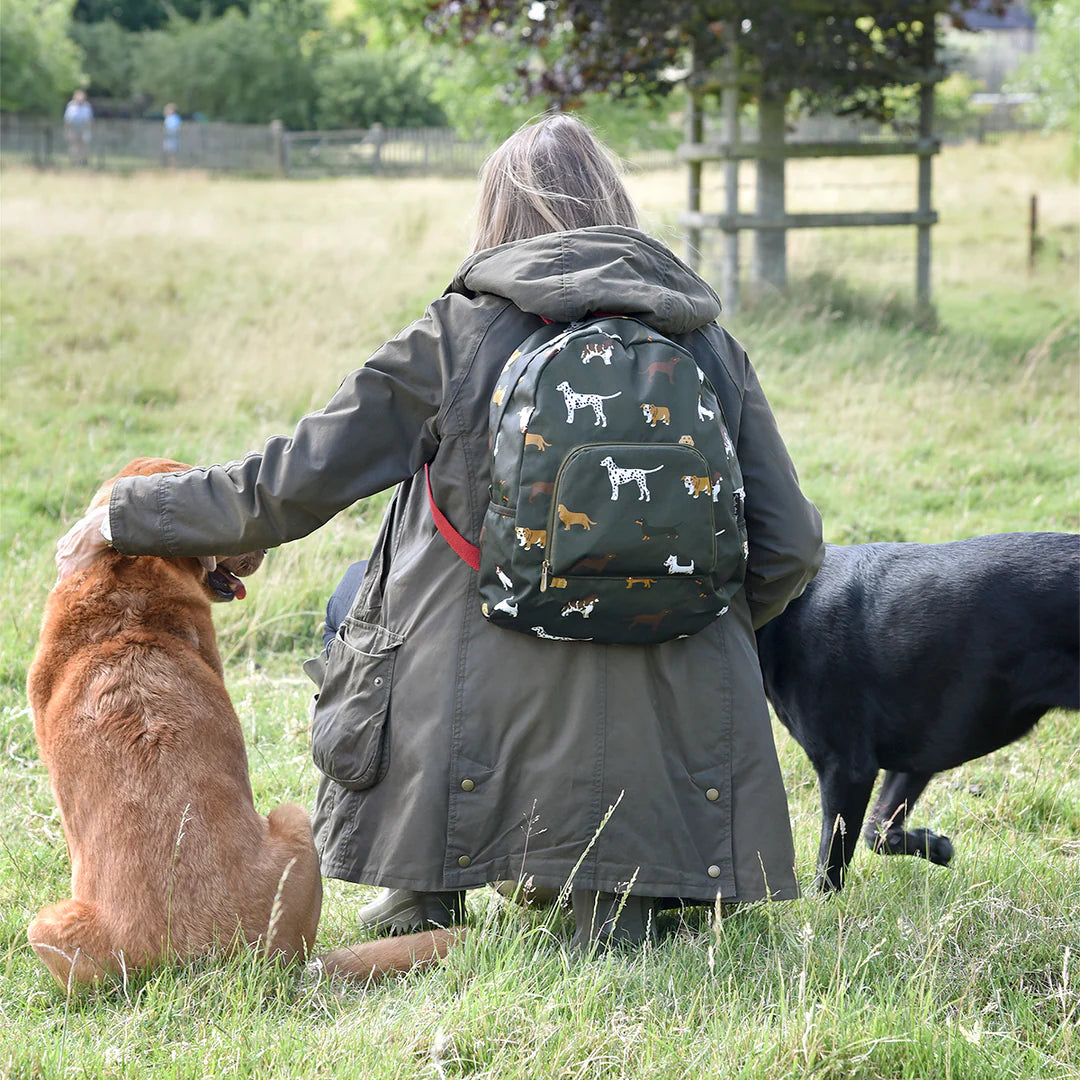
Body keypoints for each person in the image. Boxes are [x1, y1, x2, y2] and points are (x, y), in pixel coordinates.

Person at [55, 114, 824, 949]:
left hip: (475, 704)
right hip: (670, 713)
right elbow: (789, 547)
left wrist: (127, 515)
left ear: (497, 216)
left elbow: (291, 483)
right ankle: (625, 898)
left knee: (398, 576)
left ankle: (422, 893)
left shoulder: (457, 334)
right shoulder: (706, 342)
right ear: (615, 202)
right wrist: (678, 605)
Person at [63, 90, 93, 167]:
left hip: (83, 128)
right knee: (74, 146)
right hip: (73, 128)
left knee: (83, 146)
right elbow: (67, 120)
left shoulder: (87, 106)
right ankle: (73, 162)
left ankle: (84, 162)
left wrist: (88, 130)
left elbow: (89, 120)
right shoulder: (71, 106)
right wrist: (67, 131)